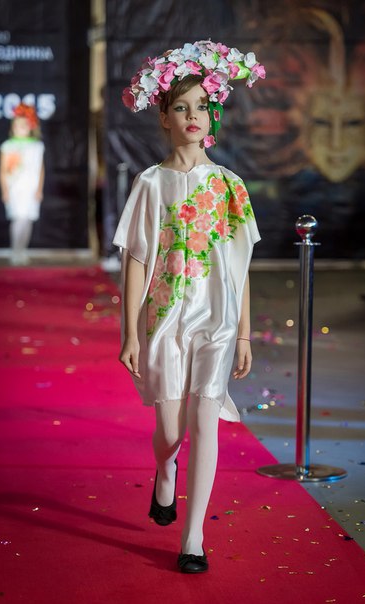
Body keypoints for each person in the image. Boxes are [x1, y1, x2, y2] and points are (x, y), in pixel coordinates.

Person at [113, 40, 265, 574]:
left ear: (213, 116)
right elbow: (136, 259)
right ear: (164, 117)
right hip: (164, 317)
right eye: (181, 107)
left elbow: (239, 265)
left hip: (217, 319)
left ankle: (194, 536)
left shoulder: (229, 186)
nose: (193, 115)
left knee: (206, 420)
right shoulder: (150, 183)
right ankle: (165, 469)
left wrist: (243, 333)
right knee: (172, 432)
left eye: (202, 106)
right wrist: (129, 333)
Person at [0, 103, 45, 265]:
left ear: (31, 126)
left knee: (28, 220)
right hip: (15, 189)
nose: (21, 128)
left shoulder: (37, 146)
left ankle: (22, 250)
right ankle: (15, 251)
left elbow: (41, 169)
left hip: (31, 188)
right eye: (18, 126)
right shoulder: (8, 146)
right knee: (19, 218)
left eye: (24, 125)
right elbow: (3, 171)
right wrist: (5, 190)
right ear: (13, 127)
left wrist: (39, 189)